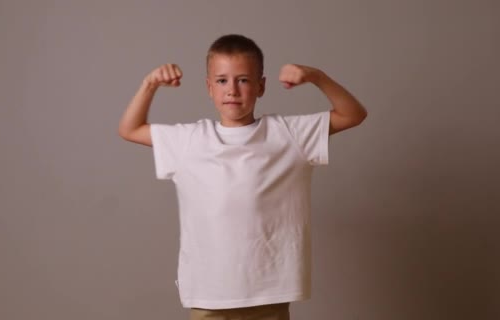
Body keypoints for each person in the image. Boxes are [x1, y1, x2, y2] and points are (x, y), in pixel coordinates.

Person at [118, 34, 367, 320]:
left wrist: (317, 77)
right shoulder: (189, 140)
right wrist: (150, 85)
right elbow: (130, 129)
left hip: (269, 293)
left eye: (244, 80)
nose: (232, 90)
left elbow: (353, 114)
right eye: (222, 80)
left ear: (261, 86)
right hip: (209, 295)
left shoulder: (288, 135)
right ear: (209, 87)